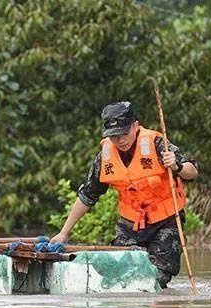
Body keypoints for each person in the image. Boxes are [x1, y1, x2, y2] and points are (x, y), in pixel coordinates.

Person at [50, 101, 198, 288]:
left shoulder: (157, 143)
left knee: (155, 280)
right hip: (130, 226)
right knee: (119, 275)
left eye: (124, 133)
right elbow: (87, 196)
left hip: (166, 223)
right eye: (114, 136)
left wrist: (177, 166)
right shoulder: (105, 157)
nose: (120, 141)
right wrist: (64, 233)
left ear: (135, 126)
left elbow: (192, 171)